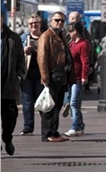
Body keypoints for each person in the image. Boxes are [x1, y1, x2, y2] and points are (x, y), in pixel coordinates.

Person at [37, 11, 75, 142]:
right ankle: (48, 133)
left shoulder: (61, 36)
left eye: (62, 21)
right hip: (52, 76)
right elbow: (41, 58)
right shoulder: (46, 36)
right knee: (49, 106)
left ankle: (54, 132)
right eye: (57, 20)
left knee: (57, 105)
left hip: (61, 75)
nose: (59, 23)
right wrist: (45, 78)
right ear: (51, 21)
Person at [1, 9, 26, 155]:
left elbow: (21, 60)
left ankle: (7, 138)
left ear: (2, 19)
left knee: (10, 117)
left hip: (8, 84)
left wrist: (18, 75)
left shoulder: (13, 38)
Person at [64, 22, 91, 137]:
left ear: (76, 31)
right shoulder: (71, 43)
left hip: (78, 78)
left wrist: (84, 76)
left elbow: (85, 61)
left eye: (71, 31)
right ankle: (79, 125)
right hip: (71, 77)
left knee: (74, 103)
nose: (69, 33)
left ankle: (75, 126)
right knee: (73, 102)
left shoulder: (83, 44)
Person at [20, 14, 44, 135]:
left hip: (41, 74)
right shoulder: (23, 38)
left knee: (42, 101)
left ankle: (46, 126)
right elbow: (16, 54)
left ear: (40, 24)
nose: (33, 25)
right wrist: (24, 50)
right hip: (27, 74)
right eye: (31, 24)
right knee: (27, 101)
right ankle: (28, 126)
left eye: (36, 23)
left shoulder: (45, 37)